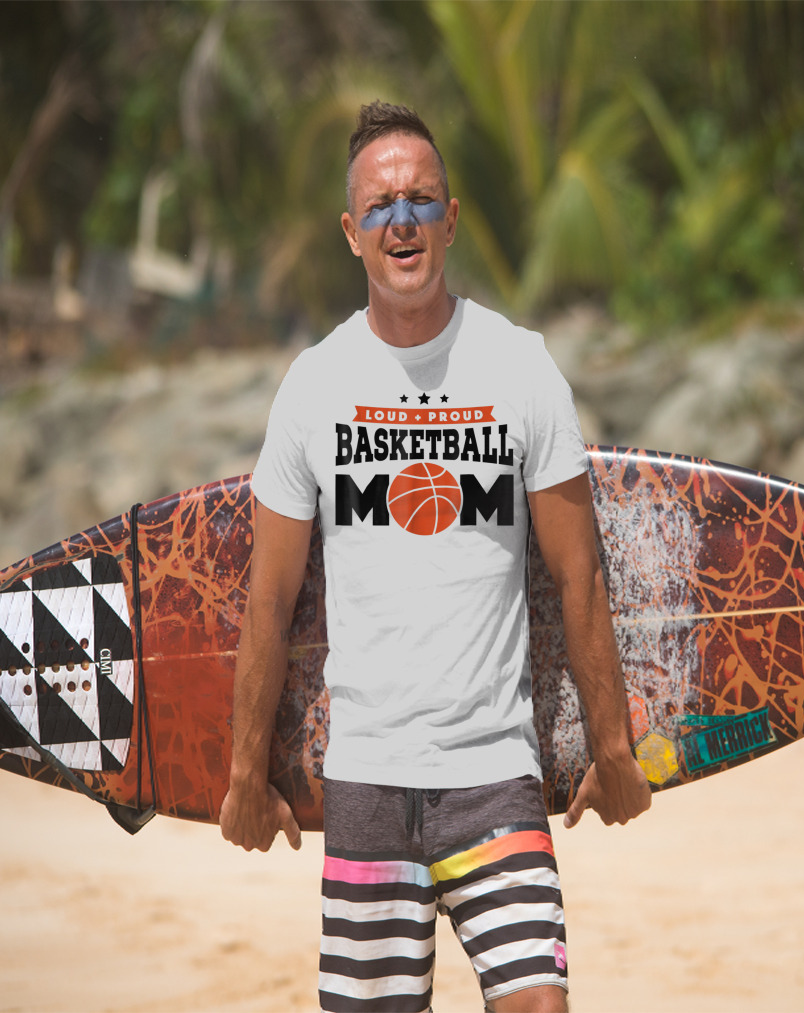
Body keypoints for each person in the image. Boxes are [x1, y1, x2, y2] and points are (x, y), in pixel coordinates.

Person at [220, 100, 651, 1013]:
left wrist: (612, 746)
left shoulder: (521, 368)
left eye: (421, 200)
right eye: (380, 206)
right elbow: (270, 599)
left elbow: (579, 575)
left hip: (495, 773)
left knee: (540, 1003)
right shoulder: (315, 386)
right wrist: (242, 772)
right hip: (369, 778)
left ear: (451, 219)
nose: (402, 220)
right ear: (351, 232)